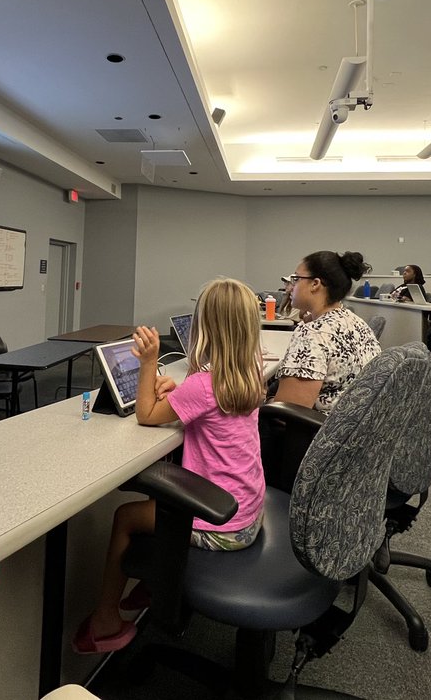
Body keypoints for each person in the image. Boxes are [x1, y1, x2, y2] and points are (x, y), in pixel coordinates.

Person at [73, 278, 266, 654]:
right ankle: (155, 583)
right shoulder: (247, 375)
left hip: (222, 525)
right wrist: (177, 393)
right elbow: (208, 409)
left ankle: (105, 621)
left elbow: (145, 414)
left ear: (204, 329)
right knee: (153, 510)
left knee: (126, 517)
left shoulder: (203, 384)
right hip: (248, 512)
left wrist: (147, 363)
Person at [273, 250, 381, 413]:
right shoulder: (357, 323)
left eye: (296, 279)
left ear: (315, 284)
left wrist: (262, 400)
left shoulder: (313, 334)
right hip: (352, 428)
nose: (289, 288)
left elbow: (286, 412)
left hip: (316, 432)